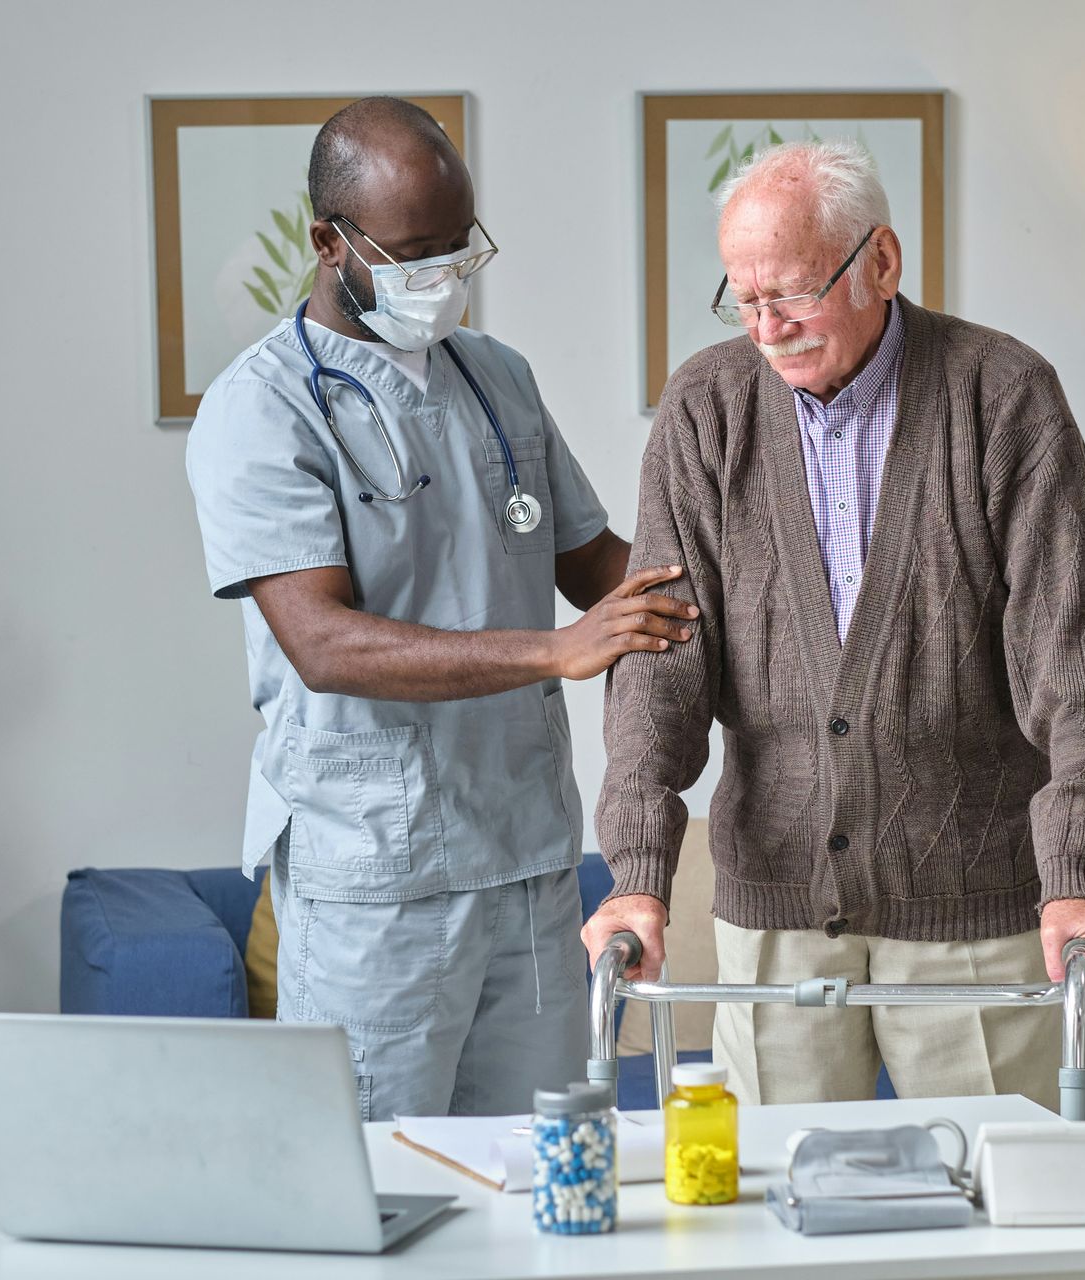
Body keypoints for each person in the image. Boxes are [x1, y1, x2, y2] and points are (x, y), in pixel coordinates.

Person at [582, 140, 1085, 1111]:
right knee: (774, 1230)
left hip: (975, 903)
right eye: (743, 300)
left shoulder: (1001, 394)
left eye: (793, 293)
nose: (768, 327)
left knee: (1000, 1217)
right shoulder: (707, 408)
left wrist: (1078, 873)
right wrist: (638, 870)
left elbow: (1073, 655)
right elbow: (662, 655)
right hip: (777, 905)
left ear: (880, 261)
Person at [186, 97, 695, 1121]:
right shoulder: (263, 406)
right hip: (377, 874)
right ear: (331, 241)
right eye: (416, 252)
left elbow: (596, 562)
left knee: (546, 1164)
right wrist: (557, 652)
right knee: (381, 1177)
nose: (445, 277)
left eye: (459, 248)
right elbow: (322, 642)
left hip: (526, 858)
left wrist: (763, 598)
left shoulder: (497, 378)